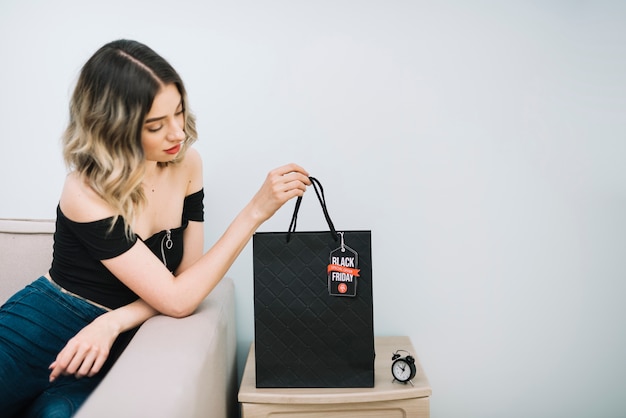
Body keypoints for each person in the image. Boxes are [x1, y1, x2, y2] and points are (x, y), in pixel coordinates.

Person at [0, 39, 310, 417]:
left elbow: (185, 283)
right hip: (37, 331)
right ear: (113, 130)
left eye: (179, 113)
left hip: (103, 348)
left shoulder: (187, 165)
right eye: (155, 125)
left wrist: (113, 322)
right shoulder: (85, 191)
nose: (177, 133)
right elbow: (176, 298)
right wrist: (255, 212)